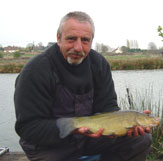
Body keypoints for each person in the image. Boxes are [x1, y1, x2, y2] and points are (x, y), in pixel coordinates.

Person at [14, 11, 152, 161]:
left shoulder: (99, 64)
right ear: (58, 38)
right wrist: (74, 129)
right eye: (71, 39)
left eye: (85, 40)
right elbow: (28, 128)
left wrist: (127, 123)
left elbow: (108, 108)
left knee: (141, 139)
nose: (78, 47)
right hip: (48, 147)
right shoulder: (36, 70)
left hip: (90, 138)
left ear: (92, 41)